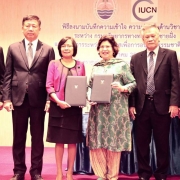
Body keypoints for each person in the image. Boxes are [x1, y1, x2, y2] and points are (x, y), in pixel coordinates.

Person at [3, 15, 55, 180]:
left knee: (37, 138)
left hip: (39, 100)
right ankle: (18, 171)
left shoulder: (47, 49)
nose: (31, 29)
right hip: (18, 99)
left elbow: (50, 77)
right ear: (22, 28)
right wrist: (6, 98)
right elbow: (7, 75)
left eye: (34, 26)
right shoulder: (13, 48)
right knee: (18, 137)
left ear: (39, 28)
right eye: (27, 26)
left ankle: (36, 172)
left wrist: (49, 99)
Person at [129, 23, 179, 180]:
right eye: (147, 37)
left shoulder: (170, 55)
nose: (150, 39)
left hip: (163, 106)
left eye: (153, 36)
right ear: (142, 39)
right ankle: (144, 173)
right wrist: (131, 105)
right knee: (142, 143)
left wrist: (175, 103)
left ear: (159, 37)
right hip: (141, 106)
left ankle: (161, 173)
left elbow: (175, 82)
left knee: (162, 143)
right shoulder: (136, 58)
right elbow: (132, 84)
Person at [86, 35, 136, 180]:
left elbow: (133, 83)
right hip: (98, 110)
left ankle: (112, 175)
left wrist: (122, 88)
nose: (105, 49)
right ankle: (101, 174)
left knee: (113, 142)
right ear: (98, 50)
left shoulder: (122, 65)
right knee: (98, 141)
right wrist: (88, 94)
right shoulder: (96, 67)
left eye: (107, 46)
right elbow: (89, 86)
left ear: (114, 49)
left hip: (116, 110)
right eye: (102, 47)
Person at [46, 36, 85, 180]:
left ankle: (69, 173)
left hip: (74, 109)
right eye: (63, 46)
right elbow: (49, 85)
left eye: (69, 45)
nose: (66, 48)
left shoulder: (80, 64)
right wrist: (58, 101)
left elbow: (82, 85)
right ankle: (59, 173)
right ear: (60, 48)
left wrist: (82, 99)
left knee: (72, 141)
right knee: (59, 141)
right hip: (58, 107)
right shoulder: (53, 64)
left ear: (74, 48)